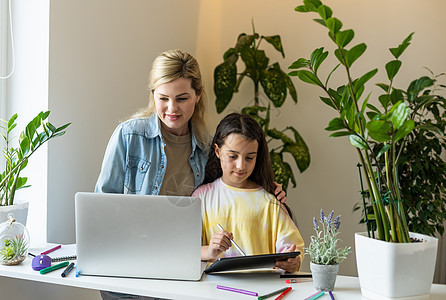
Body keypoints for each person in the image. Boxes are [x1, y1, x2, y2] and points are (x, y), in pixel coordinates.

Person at [95, 50, 286, 299]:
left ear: (197, 96)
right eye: (163, 98)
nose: (172, 108)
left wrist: (264, 187)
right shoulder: (129, 136)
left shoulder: (206, 148)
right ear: (153, 94)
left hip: (182, 271)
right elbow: (102, 207)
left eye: (182, 98)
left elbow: (226, 191)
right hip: (130, 269)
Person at [193, 113, 304, 273]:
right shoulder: (202, 197)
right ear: (217, 151)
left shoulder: (269, 201)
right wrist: (210, 251)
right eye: (233, 156)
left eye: (249, 158)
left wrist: (293, 261)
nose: (241, 166)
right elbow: (185, 249)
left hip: (260, 290)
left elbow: (291, 249)